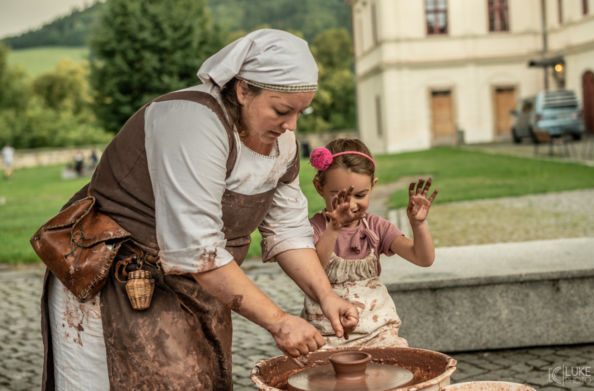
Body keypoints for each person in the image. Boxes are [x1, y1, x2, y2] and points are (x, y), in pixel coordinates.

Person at [40, 29, 358, 390]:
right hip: (115, 279)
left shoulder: (282, 146)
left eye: (302, 112)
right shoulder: (190, 121)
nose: (292, 126)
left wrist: (326, 295)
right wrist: (278, 321)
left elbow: (286, 231)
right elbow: (197, 249)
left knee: (201, 379)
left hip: (199, 284)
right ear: (242, 90)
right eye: (282, 110)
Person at [302, 138, 438, 349]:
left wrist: (418, 224)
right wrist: (334, 230)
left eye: (360, 195)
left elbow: (423, 258)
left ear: (372, 186)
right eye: (339, 196)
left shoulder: (377, 227)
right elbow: (312, 272)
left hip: (378, 332)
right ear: (319, 187)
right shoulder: (315, 229)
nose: (351, 204)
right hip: (327, 333)